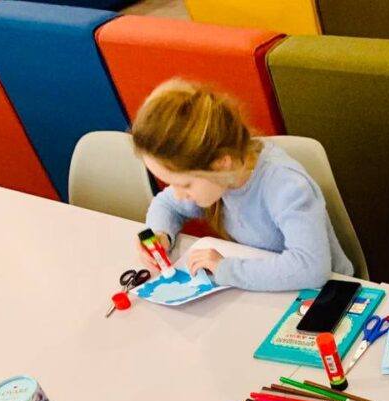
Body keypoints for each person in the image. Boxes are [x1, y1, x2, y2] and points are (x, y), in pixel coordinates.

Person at [132, 79, 353, 291]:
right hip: (271, 287)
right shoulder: (224, 175)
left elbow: (310, 268)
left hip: (331, 293)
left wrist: (226, 269)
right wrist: (161, 233)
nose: (179, 195)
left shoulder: (285, 186)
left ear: (221, 163)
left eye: (186, 184)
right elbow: (167, 204)